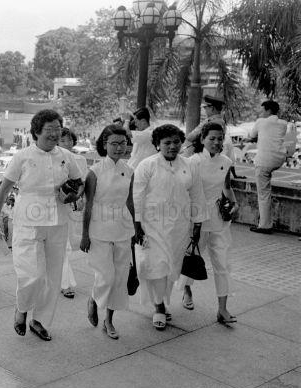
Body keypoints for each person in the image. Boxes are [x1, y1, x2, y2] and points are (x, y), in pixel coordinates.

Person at [0, 109, 83, 341]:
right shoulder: (22, 157)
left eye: (57, 130)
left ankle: (39, 320)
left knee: (52, 277)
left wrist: (73, 195)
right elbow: (2, 192)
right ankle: (22, 308)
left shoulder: (66, 157)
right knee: (32, 274)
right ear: (36, 132)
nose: (54, 134)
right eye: (49, 130)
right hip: (28, 223)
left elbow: (79, 183)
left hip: (58, 223)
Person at [133, 124, 207, 331]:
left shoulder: (190, 166)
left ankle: (163, 302)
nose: (172, 146)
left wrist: (197, 223)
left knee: (171, 267)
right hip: (151, 225)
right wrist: (137, 225)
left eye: (176, 142)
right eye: (167, 143)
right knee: (155, 264)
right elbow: (136, 196)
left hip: (179, 227)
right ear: (157, 144)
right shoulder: (147, 165)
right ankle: (159, 307)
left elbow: (197, 195)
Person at [177, 122, 239, 324]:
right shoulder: (192, 162)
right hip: (196, 219)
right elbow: (184, 191)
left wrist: (235, 203)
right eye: (212, 138)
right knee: (193, 258)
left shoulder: (226, 161)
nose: (216, 142)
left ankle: (222, 309)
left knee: (222, 264)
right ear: (202, 139)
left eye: (220, 138)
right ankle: (186, 289)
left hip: (219, 219)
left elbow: (227, 187)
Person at [79, 125, 135, 339]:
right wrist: (85, 234)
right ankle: (94, 298)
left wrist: (136, 228)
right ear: (104, 145)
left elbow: (129, 201)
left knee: (120, 278)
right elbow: (88, 204)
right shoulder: (95, 172)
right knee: (106, 277)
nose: (119, 147)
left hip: (123, 227)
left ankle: (109, 321)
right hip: (99, 229)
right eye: (114, 143)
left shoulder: (129, 170)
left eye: (123, 143)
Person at [246, 100, 288, 234]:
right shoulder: (283, 123)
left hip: (264, 161)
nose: (261, 113)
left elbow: (252, 136)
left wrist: (252, 139)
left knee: (263, 194)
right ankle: (265, 222)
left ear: (269, 111)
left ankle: (264, 225)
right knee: (266, 189)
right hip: (279, 159)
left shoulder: (261, 122)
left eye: (263, 110)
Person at [58, 127, 88, 299]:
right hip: (52, 208)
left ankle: (64, 282)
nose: (67, 143)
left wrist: (80, 198)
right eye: (63, 140)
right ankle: (64, 282)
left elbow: (83, 183)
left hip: (71, 207)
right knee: (61, 246)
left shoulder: (80, 159)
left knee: (66, 246)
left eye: (69, 140)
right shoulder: (52, 160)